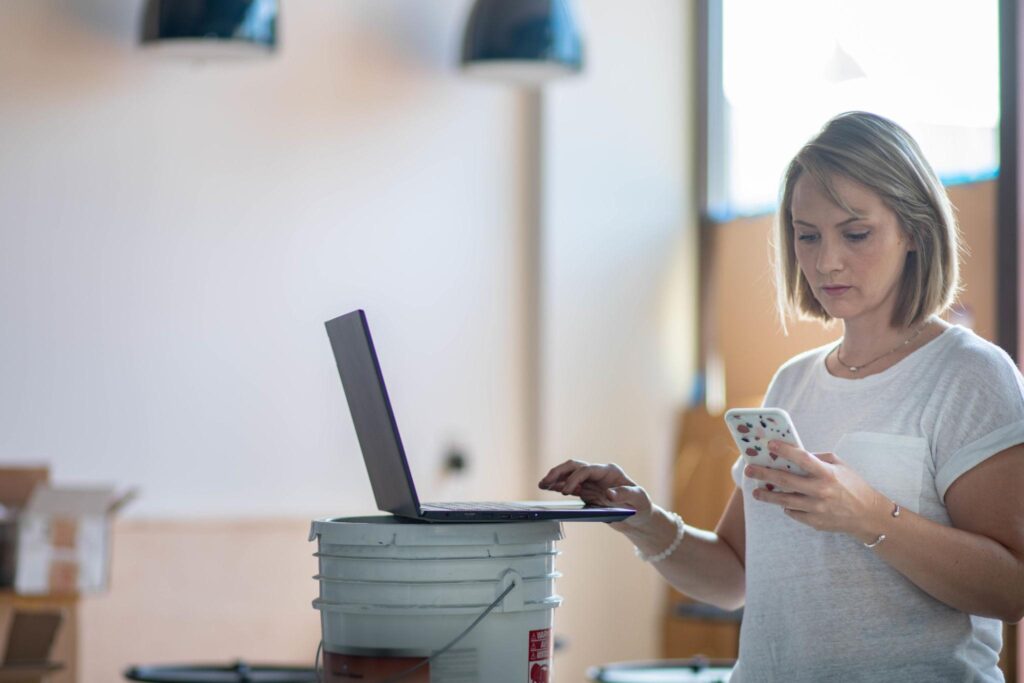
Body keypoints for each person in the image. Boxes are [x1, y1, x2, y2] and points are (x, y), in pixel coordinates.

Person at [538, 111, 1024, 682]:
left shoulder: (969, 374)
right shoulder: (791, 384)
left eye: (856, 233)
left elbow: (1011, 588)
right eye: (806, 234)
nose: (826, 261)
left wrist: (868, 515)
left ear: (914, 228)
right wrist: (641, 518)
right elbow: (732, 577)